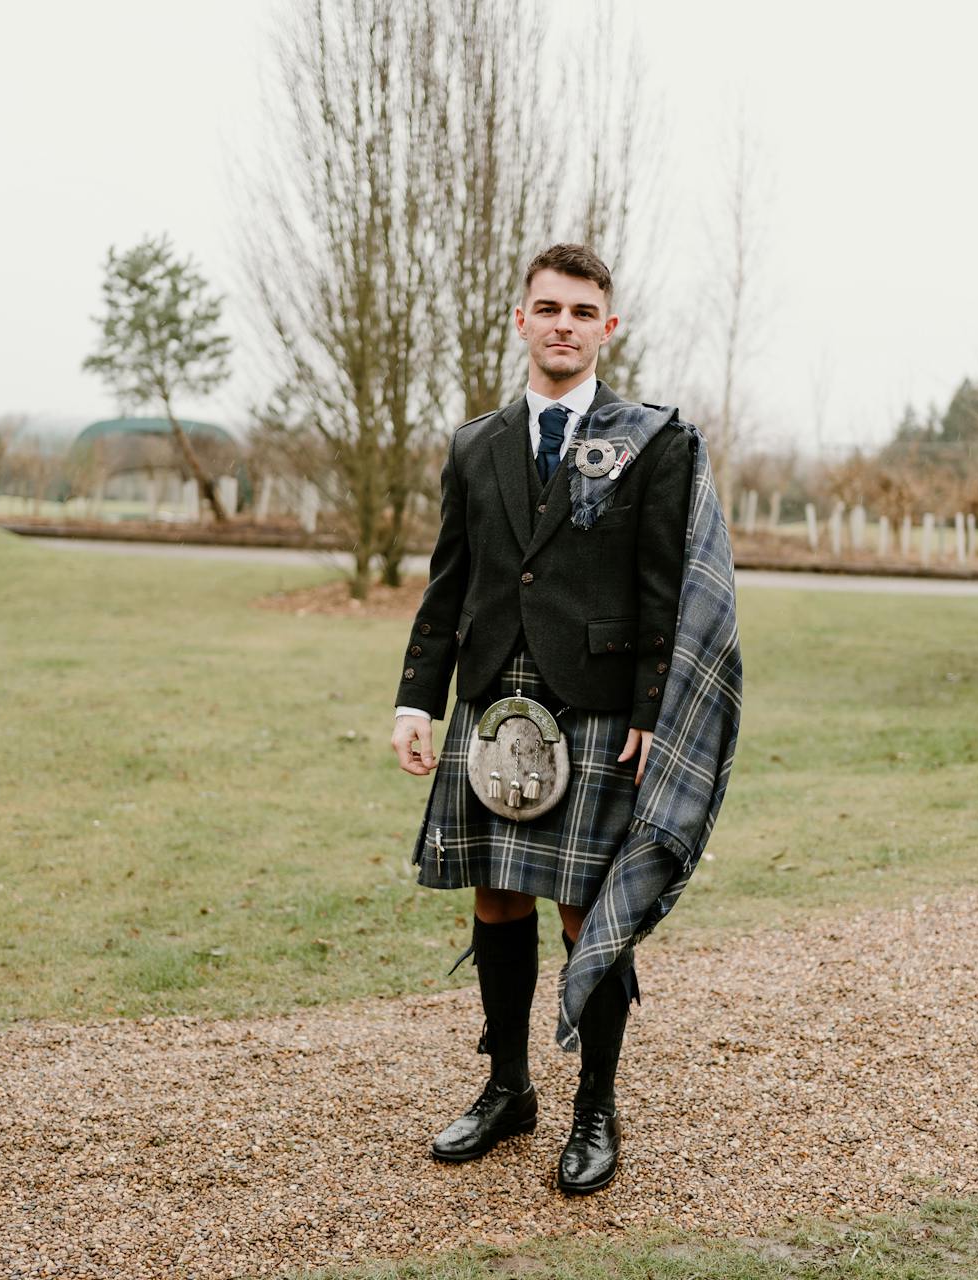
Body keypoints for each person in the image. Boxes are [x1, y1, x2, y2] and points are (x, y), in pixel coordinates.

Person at [390, 243, 699, 1195]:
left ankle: (594, 1107)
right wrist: (416, 694)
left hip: (599, 704)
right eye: (547, 307)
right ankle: (508, 1086)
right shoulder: (474, 445)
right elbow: (452, 582)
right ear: (521, 320)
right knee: (495, 896)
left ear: (609, 329)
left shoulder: (651, 443)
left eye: (581, 311)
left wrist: (654, 710)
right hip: (491, 698)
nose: (562, 323)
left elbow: (665, 592)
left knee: (586, 910)